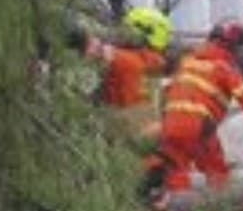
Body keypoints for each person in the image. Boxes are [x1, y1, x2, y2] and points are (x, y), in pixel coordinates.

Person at [145, 18, 243, 211]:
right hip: (199, 128)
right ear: (234, 47)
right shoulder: (225, 69)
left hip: (170, 125)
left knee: (175, 172)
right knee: (217, 175)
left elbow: (167, 93)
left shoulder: (188, 61)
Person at [69, 7, 171, 135]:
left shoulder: (124, 60)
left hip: (117, 133)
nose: (121, 36)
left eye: (127, 31)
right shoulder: (155, 67)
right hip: (139, 134)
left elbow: (96, 50)